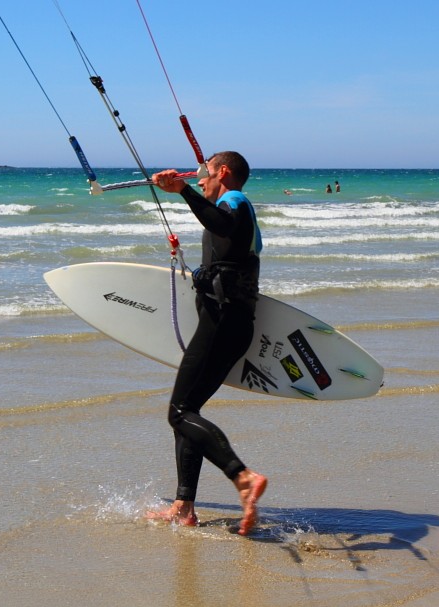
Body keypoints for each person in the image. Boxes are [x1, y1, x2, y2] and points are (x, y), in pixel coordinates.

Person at [149, 151, 268, 536]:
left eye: (205, 175)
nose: (201, 181)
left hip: (222, 321)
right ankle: (184, 508)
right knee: (188, 412)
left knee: (179, 412)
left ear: (225, 173)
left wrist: (182, 189)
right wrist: (183, 191)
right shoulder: (238, 211)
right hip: (232, 323)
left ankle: (242, 476)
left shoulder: (234, 201)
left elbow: (221, 220)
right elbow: (222, 231)